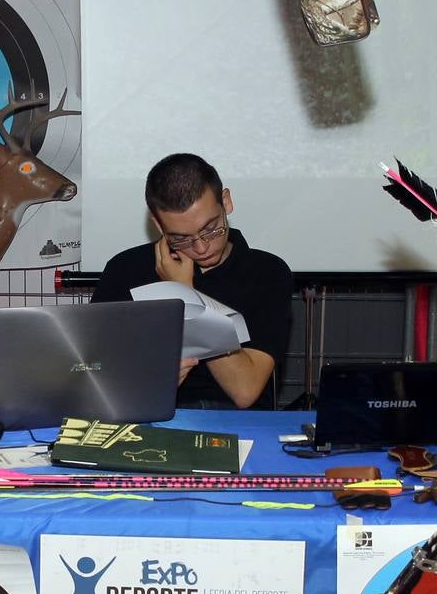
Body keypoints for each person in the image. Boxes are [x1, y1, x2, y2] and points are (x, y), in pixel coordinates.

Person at [91, 153, 293, 409]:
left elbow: (245, 390)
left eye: (211, 228)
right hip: (150, 414)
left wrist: (185, 294)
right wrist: (147, 382)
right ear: (158, 225)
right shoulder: (125, 270)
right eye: (182, 237)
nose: (201, 246)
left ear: (226, 202)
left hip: (238, 424)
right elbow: (95, 376)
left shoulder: (267, 272)